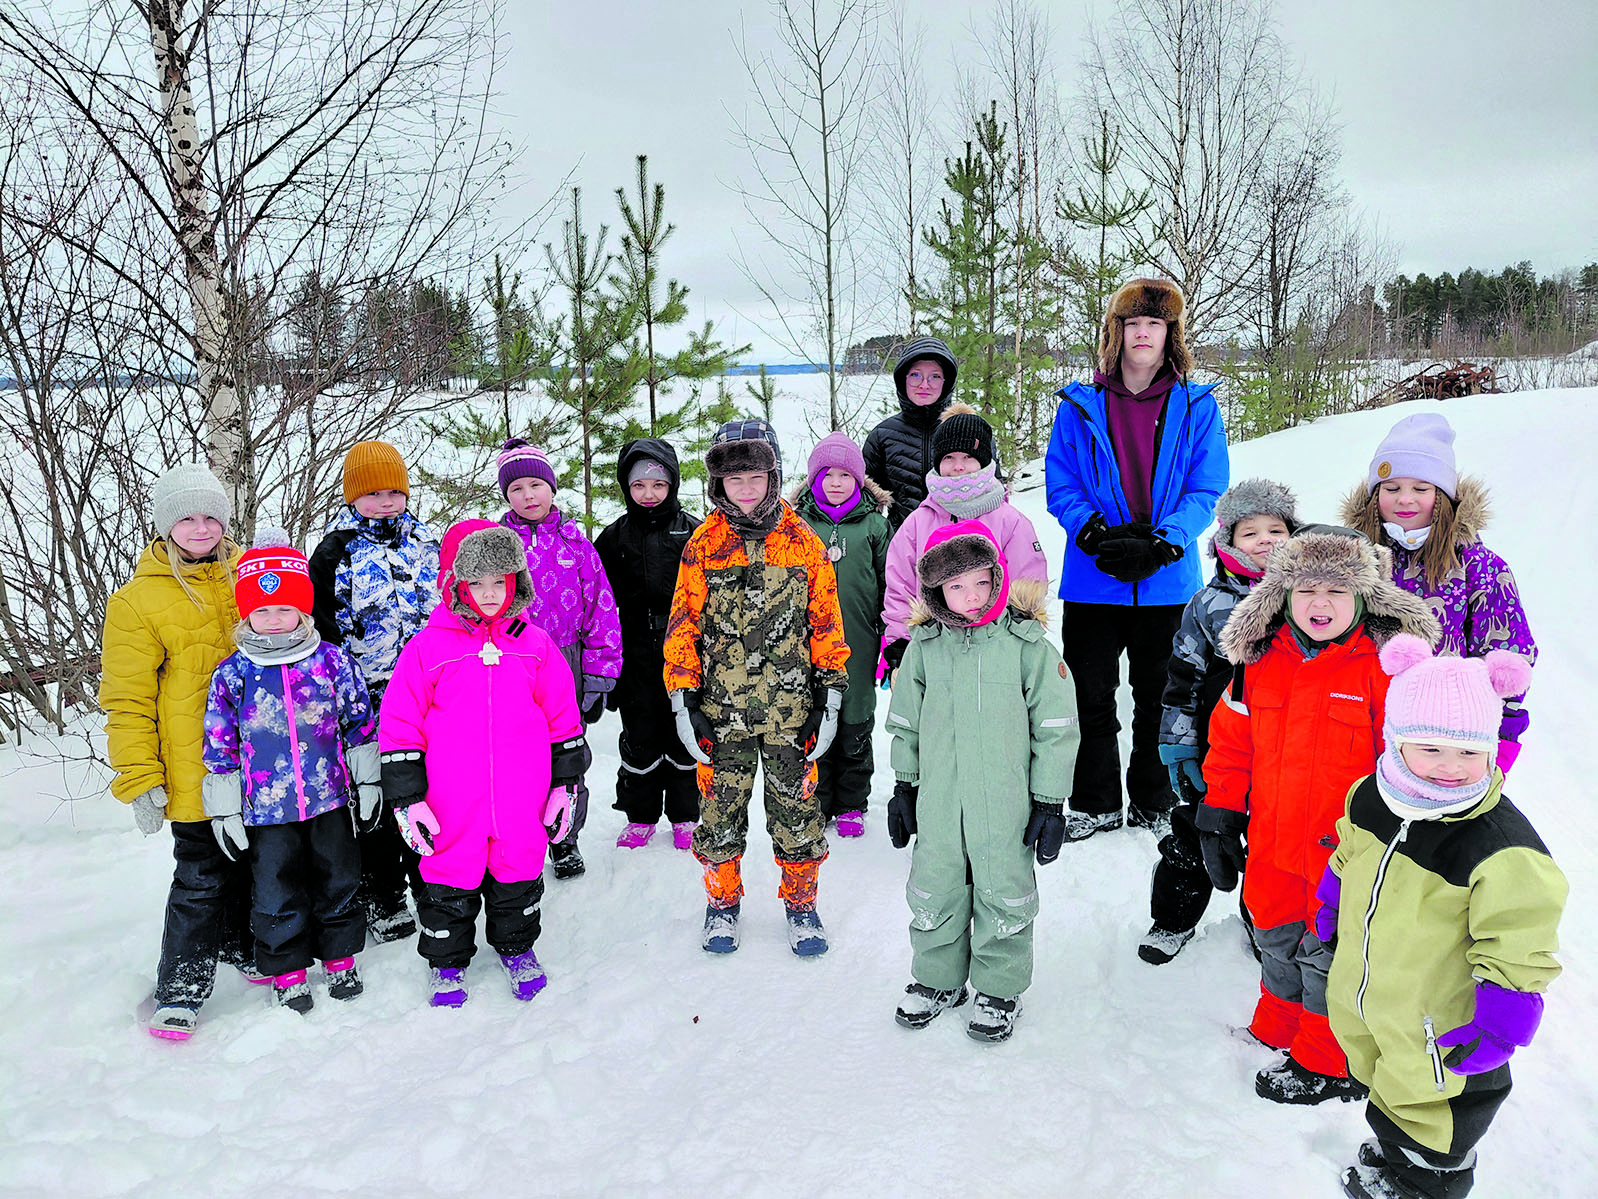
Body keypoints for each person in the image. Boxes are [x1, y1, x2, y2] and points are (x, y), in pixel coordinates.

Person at [1198, 526, 1441, 1105]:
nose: (1320, 604)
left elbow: (1407, 763)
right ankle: (1280, 1025)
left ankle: (1327, 1060)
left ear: (1364, 597)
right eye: (1305, 590)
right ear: (1281, 594)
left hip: (1346, 857)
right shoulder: (1259, 660)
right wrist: (1221, 807)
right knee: (1276, 934)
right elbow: (1233, 742)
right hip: (1274, 841)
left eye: (1337, 591)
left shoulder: (1382, 669)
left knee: (1330, 952)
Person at [1321, 635, 1564, 1199]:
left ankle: (1429, 1185)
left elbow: (1521, 939)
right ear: (1396, 741)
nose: (1451, 768)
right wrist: (1333, 902)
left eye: (1468, 752)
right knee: (1388, 1084)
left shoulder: (1499, 845)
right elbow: (1347, 853)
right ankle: (1395, 1156)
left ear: (1490, 751)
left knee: (1439, 1118)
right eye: (1430, 749)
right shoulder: (1371, 797)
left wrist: (1503, 1018)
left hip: (1447, 1027)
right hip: (1379, 1002)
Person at [1045, 278, 1229, 841]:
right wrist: (1093, 532)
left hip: (1169, 582)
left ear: (1170, 333)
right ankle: (1095, 802)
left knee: (1161, 696)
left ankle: (1153, 800)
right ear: (1116, 331)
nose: (1142, 333)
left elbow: (1207, 487)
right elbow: (1062, 482)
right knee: (1088, 696)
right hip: (1093, 576)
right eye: (1132, 323)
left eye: (1154, 324)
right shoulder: (1081, 404)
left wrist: (1166, 541)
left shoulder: (1198, 405)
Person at [378, 521, 586, 1008]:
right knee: (448, 878)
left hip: (521, 798)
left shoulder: (534, 645)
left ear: (517, 583)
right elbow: (400, 722)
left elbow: (562, 716)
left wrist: (565, 784)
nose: (489, 594)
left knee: (518, 872)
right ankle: (447, 961)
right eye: (477, 582)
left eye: (500, 582)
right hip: (452, 801)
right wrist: (407, 798)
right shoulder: (428, 649)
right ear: (457, 584)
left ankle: (517, 947)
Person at [884, 522, 1078, 1043]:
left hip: (1006, 799)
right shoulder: (925, 647)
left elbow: (1056, 726)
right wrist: (904, 786)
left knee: (1003, 889)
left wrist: (1050, 801)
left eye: (979, 583)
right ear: (935, 592)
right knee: (936, 886)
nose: (970, 598)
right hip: (940, 800)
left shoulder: (1025, 644)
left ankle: (999, 985)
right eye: (954, 587)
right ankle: (937, 979)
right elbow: (905, 720)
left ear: (998, 577)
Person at [663, 419, 850, 957]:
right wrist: (685, 701)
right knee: (719, 813)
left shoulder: (803, 542)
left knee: (797, 815)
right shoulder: (703, 546)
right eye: (733, 479)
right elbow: (684, 627)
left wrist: (829, 700)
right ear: (718, 485)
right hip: (722, 715)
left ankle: (802, 903)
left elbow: (827, 627)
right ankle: (721, 902)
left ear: (773, 474)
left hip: (791, 714)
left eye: (755, 476)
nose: (745, 488)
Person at [99, 463, 256, 1040]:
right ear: (165, 524)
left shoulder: (251, 574)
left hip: (261, 764)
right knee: (201, 878)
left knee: (255, 865)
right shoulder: (138, 602)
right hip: (194, 772)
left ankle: (244, 949)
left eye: (210, 514)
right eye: (185, 517)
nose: (199, 527)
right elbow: (127, 697)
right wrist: (140, 776)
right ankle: (182, 987)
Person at [203, 532, 379, 1012]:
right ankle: (287, 967)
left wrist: (367, 779)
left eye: (284, 609)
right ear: (247, 614)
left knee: (338, 876)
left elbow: (359, 722)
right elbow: (219, 745)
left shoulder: (331, 661)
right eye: (262, 610)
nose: (274, 620)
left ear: (302, 611)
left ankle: (340, 957)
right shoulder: (233, 674)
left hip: (330, 797)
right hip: (266, 808)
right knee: (276, 887)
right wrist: (224, 809)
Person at [1141, 478, 1298, 964]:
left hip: (1286, 753)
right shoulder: (1207, 605)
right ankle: (1172, 918)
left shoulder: (1311, 599)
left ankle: (1266, 927)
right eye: (1251, 533)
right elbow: (1182, 678)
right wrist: (1179, 743)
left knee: (1274, 847)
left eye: (1277, 529)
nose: (1266, 541)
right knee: (1196, 830)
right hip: (1220, 752)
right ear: (1226, 542)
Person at [1339, 412, 1536, 773]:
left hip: (1439, 739)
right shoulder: (1354, 557)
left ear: (1442, 496)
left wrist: (1503, 741)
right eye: (1391, 488)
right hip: (1354, 725)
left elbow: (1508, 657)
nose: (1405, 500)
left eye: (1421, 488)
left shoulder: (1480, 566)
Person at [308, 439, 440, 942]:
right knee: (378, 799)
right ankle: (383, 895)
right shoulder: (335, 551)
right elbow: (320, 626)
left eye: (394, 492)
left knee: (427, 790)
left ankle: (434, 884)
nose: (385, 502)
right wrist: (339, 689)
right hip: (366, 699)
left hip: (428, 694)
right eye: (372, 493)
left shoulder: (426, 541)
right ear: (351, 498)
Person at [496, 437, 622, 880]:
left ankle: (565, 838)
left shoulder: (576, 545)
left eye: (535, 485)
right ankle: (520, 836)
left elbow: (602, 611)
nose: (528, 496)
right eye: (516, 489)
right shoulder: (498, 547)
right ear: (506, 496)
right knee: (518, 760)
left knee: (568, 756)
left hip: (567, 662)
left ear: (551, 488)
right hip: (513, 666)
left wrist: (600, 676)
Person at [881, 403, 1050, 680]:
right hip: (933, 651)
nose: (958, 466)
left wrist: (1020, 641)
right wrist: (900, 645)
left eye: (967, 457)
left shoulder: (1010, 521)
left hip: (996, 653)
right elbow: (900, 587)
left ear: (983, 460)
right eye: (948, 457)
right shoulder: (917, 523)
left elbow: (1027, 586)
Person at [594, 439, 700, 850]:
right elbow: (601, 604)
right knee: (640, 735)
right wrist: (609, 665)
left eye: (658, 484)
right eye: (640, 486)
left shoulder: (692, 531)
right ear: (627, 487)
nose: (649, 494)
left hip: (684, 649)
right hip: (633, 649)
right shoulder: (614, 537)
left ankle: (686, 813)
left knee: (683, 733)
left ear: (672, 484)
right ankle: (640, 814)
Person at [791, 431, 892, 836]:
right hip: (808, 646)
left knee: (854, 722)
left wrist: (887, 639)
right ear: (814, 479)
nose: (836, 482)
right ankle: (819, 800)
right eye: (827, 474)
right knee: (816, 721)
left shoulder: (873, 526)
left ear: (859, 479)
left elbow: (890, 585)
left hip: (860, 644)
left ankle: (851, 803)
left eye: (845, 475)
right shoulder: (797, 524)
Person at [863, 336, 957, 530]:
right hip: (901, 546)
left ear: (946, 383)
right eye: (915, 375)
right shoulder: (882, 436)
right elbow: (865, 506)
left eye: (935, 376)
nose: (924, 384)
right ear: (902, 379)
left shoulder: (965, 431)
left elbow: (994, 497)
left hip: (959, 546)